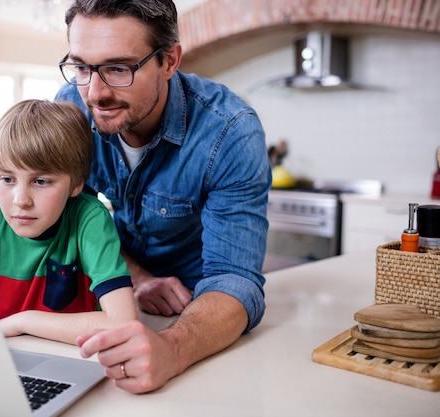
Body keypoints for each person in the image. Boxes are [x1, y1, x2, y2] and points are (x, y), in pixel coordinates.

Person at [54, 0, 271, 393]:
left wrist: (172, 349)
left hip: (193, 308)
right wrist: (135, 279)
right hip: (112, 290)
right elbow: (69, 221)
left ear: (169, 61)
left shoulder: (230, 133)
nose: (95, 93)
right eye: (82, 67)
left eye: (118, 68)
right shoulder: (71, 108)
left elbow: (234, 279)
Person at [0, 99, 138, 345]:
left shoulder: (89, 219)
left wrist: (22, 321)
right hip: (3, 359)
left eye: (41, 181)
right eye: (7, 179)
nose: (21, 200)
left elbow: (124, 324)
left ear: (77, 184)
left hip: (75, 360)